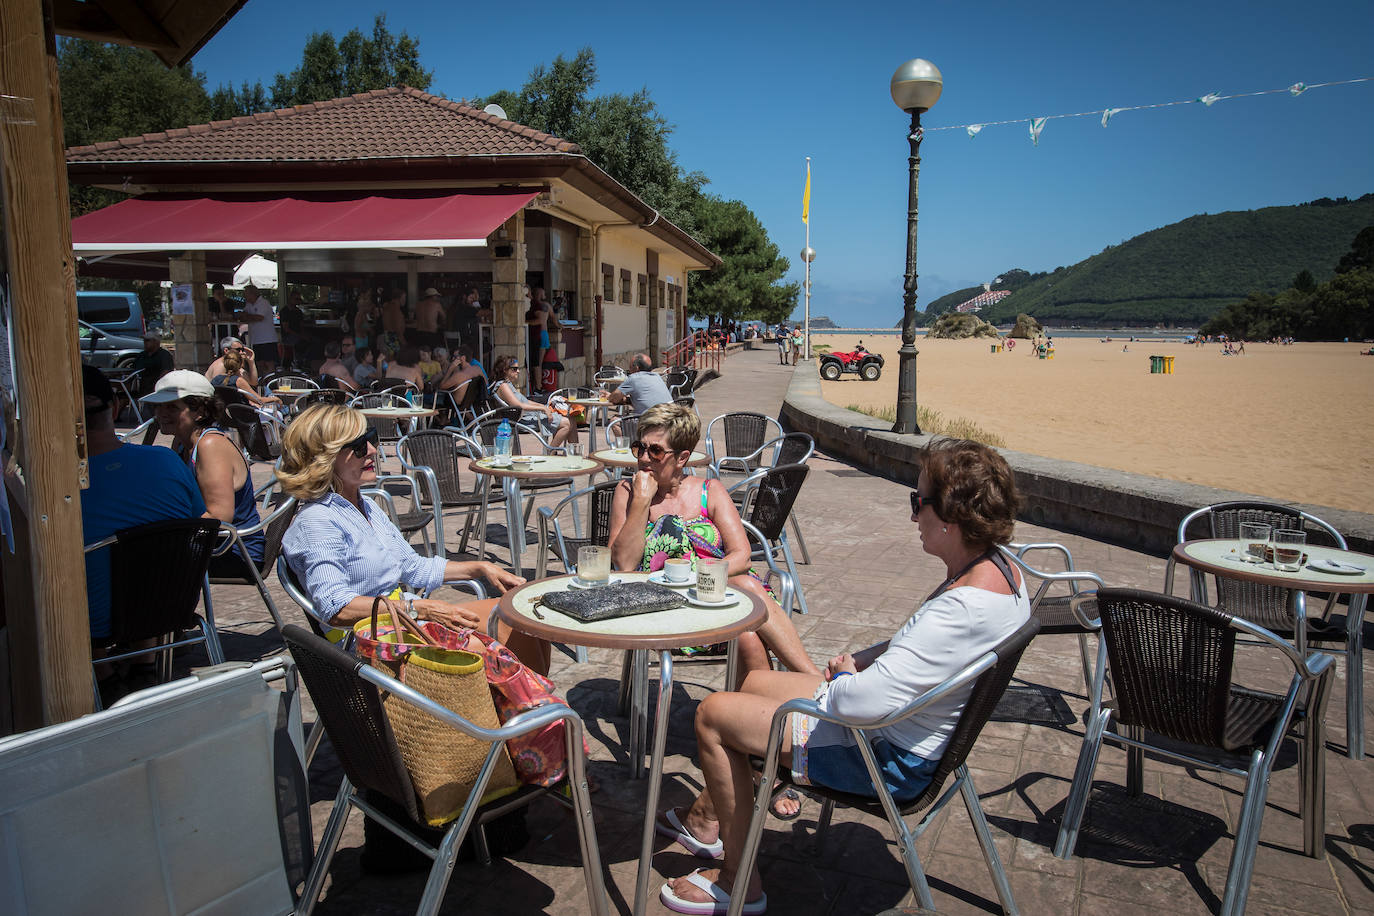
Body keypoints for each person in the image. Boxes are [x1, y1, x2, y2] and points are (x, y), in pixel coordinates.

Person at [657, 439, 1030, 915]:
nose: (914, 516)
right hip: (914, 732)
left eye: (918, 503)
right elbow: (918, 654)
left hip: (885, 756)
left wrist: (848, 677)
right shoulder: (1000, 569)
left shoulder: (960, 609)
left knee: (712, 715)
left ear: (951, 516)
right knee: (753, 687)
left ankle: (739, 878)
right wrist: (866, 661)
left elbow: (858, 705)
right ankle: (714, 820)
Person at [278, 404, 547, 673]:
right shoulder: (317, 522)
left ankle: (535, 705)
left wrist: (480, 567)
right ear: (324, 459)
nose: (372, 450)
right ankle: (532, 707)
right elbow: (337, 609)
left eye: (370, 439)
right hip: (372, 646)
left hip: (403, 622)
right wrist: (419, 608)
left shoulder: (365, 505)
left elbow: (413, 567)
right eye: (359, 446)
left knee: (526, 617)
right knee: (490, 649)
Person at [608, 403, 819, 681]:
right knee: (746, 614)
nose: (644, 458)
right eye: (640, 448)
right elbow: (623, 564)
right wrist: (641, 502)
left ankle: (779, 699)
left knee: (747, 625)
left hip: (714, 596)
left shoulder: (710, 491)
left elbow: (742, 556)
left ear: (682, 458)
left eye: (655, 451)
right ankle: (817, 684)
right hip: (659, 606)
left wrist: (696, 578)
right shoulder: (626, 492)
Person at [80, 365, 207, 702]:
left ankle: (103, 673)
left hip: (94, 621)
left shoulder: (56, 487)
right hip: (169, 607)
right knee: (147, 555)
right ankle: (142, 665)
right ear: (115, 408)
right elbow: (196, 520)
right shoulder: (165, 461)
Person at [144, 370, 264, 577]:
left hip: (233, 551)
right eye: (159, 406)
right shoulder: (183, 444)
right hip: (209, 544)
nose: (161, 413)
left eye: (172, 407)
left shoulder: (210, 445)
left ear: (199, 411)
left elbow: (219, 517)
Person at [488, 355, 578, 449]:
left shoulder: (508, 384)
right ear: (505, 370)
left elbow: (526, 402)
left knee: (572, 420)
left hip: (530, 415)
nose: (518, 371)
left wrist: (544, 407)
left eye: (518, 368)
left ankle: (575, 454)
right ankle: (550, 453)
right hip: (524, 420)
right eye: (514, 369)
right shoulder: (503, 386)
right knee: (567, 423)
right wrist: (543, 408)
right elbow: (519, 406)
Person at [211, 348, 283, 412]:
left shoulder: (215, 380)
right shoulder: (239, 381)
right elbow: (260, 400)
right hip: (244, 417)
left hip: (225, 418)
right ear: (240, 364)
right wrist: (275, 399)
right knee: (278, 414)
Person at [608, 352, 673, 414]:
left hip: (652, 420)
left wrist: (609, 396)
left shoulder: (634, 378)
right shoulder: (657, 376)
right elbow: (646, 398)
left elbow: (614, 399)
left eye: (630, 367)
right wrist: (625, 399)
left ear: (636, 368)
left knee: (614, 421)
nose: (629, 370)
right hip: (670, 417)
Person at [235, 284, 278, 371]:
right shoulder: (249, 305)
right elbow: (243, 316)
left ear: (252, 294)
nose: (244, 296)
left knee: (269, 363)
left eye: (245, 294)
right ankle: (262, 381)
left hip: (267, 339)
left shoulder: (263, 303)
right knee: (259, 363)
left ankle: (270, 381)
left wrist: (247, 316)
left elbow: (259, 317)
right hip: (256, 339)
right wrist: (246, 316)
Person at [129, 331, 173, 396]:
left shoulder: (164, 355)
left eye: (147, 340)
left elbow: (166, 372)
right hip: (140, 387)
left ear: (156, 342)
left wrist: (156, 387)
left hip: (156, 388)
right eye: (144, 340)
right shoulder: (141, 355)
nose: (145, 343)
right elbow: (132, 371)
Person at [379, 288, 406, 354]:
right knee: (395, 361)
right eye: (404, 297)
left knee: (390, 360)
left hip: (387, 336)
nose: (405, 300)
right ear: (398, 298)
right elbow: (398, 330)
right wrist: (405, 343)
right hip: (393, 339)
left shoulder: (388, 306)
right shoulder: (396, 309)